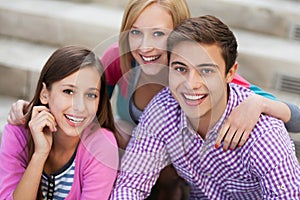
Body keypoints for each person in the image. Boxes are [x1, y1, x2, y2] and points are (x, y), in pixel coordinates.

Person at [109, 15, 300, 199]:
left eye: (206, 70)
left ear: (230, 73)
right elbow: (130, 185)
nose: (191, 84)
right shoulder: (163, 109)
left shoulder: (264, 135)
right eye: (181, 69)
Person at [0, 46, 119, 200]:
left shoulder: (101, 147)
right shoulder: (18, 133)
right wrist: (40, 154)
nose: (80, 107)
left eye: (91, 95)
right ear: (44, 94)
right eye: (68, 91)